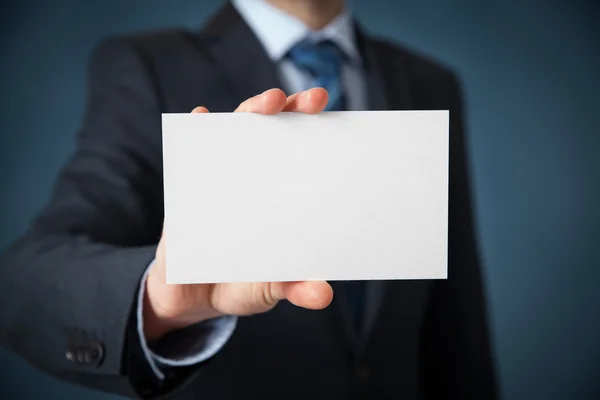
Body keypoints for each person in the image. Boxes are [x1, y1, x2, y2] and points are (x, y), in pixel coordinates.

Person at [0, 0, 498, 398]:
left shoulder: (431, 82)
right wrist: (156, 301)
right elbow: (26, 283)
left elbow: (456, 317)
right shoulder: (148, 67)